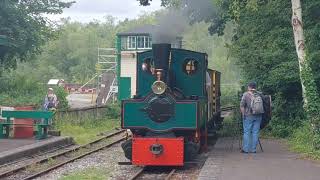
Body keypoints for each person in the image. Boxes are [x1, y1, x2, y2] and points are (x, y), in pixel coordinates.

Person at [240, 82, 264, 153]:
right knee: (255, 132)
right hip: (259, 115)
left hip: (248, 116)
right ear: (255, 87)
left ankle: (246, 149)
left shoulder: (246, 94)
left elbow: (242, 105)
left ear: (249, 87)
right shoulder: (259, 94)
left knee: (247, 132)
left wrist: (243, 114)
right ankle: (253, 150)